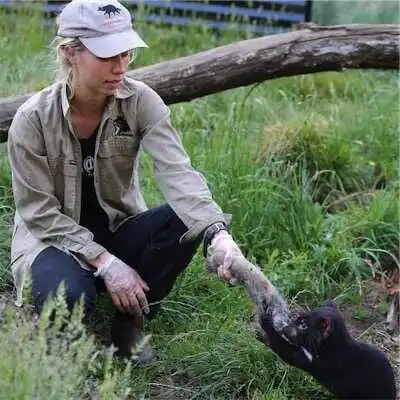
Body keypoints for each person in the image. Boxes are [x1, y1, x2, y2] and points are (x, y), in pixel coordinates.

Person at [7, 0, 243, 362]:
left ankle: (129, 322)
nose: (120, 67)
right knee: (68, 298)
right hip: (51, 241)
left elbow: (178, 174)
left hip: (117, 227)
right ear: (71, 53)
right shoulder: (33, 119)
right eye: (107, 56)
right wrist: (106, 263)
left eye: (127, 53)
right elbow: (38, 212)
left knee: (186, 221)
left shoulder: (141, 101)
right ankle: (70, 336)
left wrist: (218, 234)